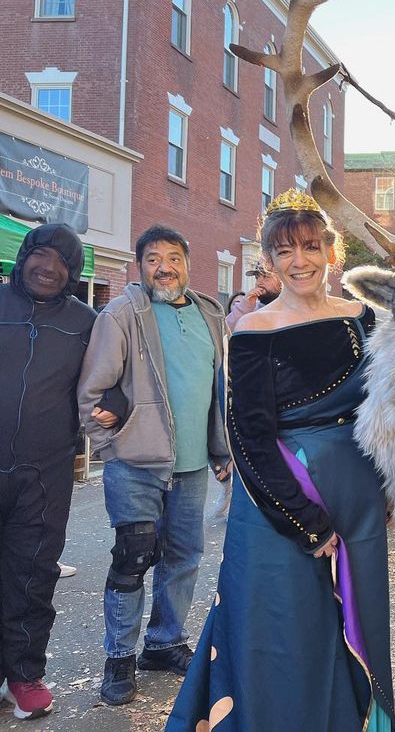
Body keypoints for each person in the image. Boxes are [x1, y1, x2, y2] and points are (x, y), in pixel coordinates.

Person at [167, 189, 395, 731]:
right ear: (269, 260)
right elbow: (249, 438)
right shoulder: (254, 330)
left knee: (358, 627)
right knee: (282, 631)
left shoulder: (363, 318)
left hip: (357, 496)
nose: (300, 262)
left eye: (311, 247)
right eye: (285, 251)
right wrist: (307, 523)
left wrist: (389, 487)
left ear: (331, 252)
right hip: (278, 504)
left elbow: (387, 408)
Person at [78, 225, 230, 706]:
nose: (164, 267)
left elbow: (220, 387)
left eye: (173, 258)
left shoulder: (210, 314)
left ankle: (164, 643)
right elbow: (92, 392)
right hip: (135, 465)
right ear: (139, 265)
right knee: (133, 557)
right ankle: (119, 658)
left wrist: (222, 450)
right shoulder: (122, 314)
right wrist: (112, 446)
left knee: (183, 557)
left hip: (191, 467)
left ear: (188, 262)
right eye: (152, 259)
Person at [0, 224, 96, 719]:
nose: (48, 267)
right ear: (23, 258)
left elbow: (107, 380)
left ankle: (23, 674)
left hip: (45, 472)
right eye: (40, 254)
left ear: (72, 272)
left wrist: (113, 408)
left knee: (33, 573)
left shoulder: (86, 322)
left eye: (61, 261)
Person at [224, 260, 281, 333]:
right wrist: (245, 306)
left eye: (266, 276)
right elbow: (223, 332)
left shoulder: (293, 308)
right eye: (257, 277)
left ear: (282, 279)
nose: (258, 282)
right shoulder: (250, 309)